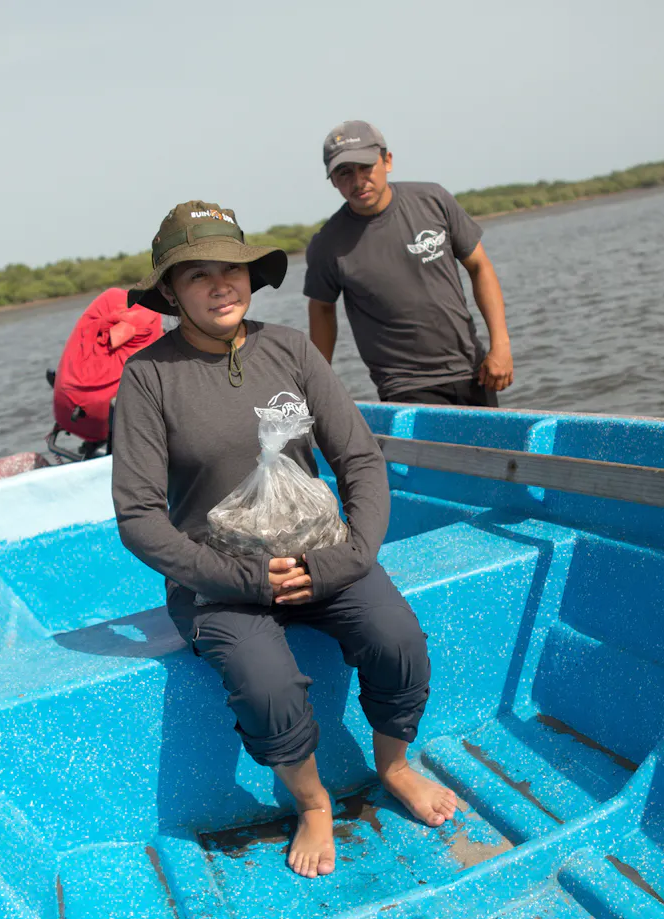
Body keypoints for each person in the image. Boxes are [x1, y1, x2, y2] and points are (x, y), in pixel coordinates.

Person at [113, 201, 456, 880]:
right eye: (198, 274)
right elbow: (140, 518)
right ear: (172, 293)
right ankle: (315, 803)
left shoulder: (290, 349)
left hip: (320, 554)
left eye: (232, 270)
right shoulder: (148, 377)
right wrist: (248, 580)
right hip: (222, 579)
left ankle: (393, 763)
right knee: (267, 684)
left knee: (397, 639)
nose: (221, 285)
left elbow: (359, 460)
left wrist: (349, 557)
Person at [304, 120, 515, 406]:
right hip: (404, 386)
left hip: (472, 370)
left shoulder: (434, 200)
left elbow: (480, 267)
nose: (357, 181)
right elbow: (322, 309)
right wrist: (318, 384)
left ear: (387, 161)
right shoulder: (327, 244)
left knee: (491, 452)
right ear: (332, 180)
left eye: (366, 167)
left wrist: (500, 347)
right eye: (344, 173)